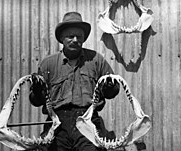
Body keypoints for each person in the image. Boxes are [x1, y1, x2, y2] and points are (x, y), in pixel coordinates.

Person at [29, 11, 119, 151]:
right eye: (70, 36)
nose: (75, 40)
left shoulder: (96, 60)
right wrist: (37, 91)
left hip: (88, 122)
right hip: (57, 125)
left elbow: (113, 91)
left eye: (79, 37)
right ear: (62, 39)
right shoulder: (48, 64)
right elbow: (36, 101)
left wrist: (110, 87)